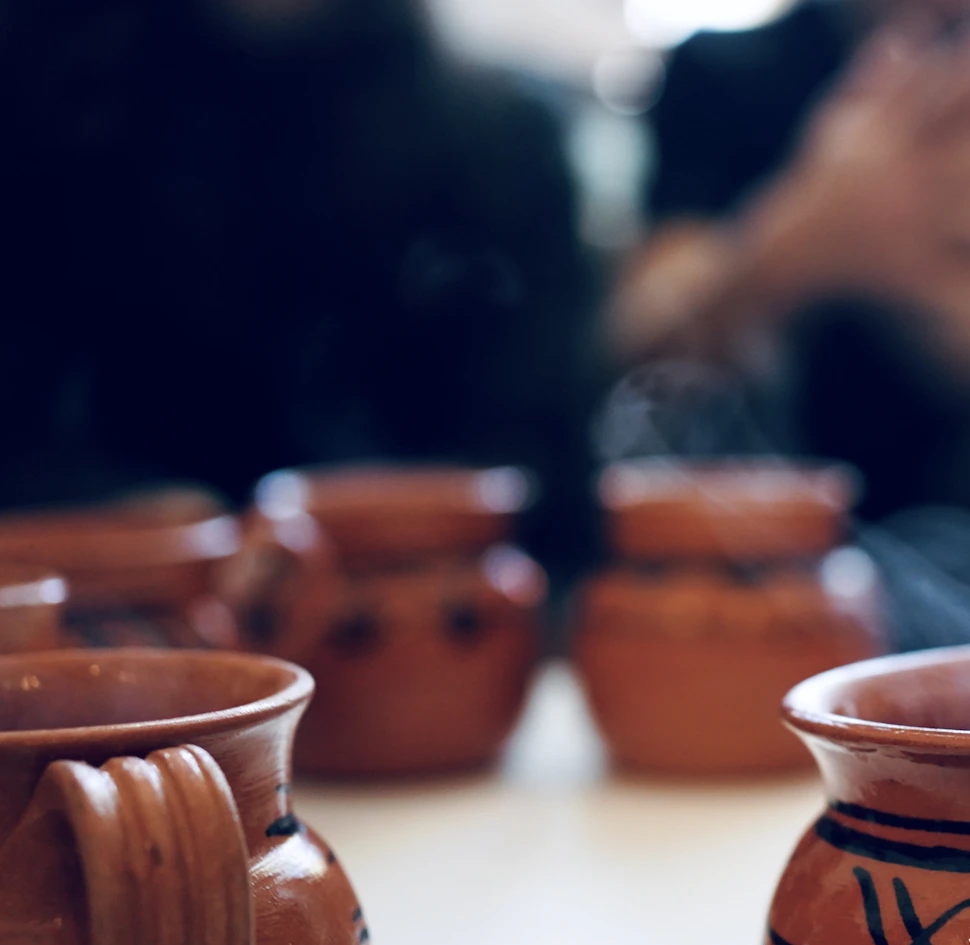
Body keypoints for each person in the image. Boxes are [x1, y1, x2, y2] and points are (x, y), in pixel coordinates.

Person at [0, 0, 600, 580]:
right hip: (125, 617)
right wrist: (128, 517)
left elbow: (543, 456)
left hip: (404, 617)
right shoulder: (48, 111)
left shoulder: (497, 146)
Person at [611, 0, 970, 528]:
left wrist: (928, 294)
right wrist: (804, 232)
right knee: (691, 434)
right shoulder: (723, 70)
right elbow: (640, 343)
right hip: (784, 489)